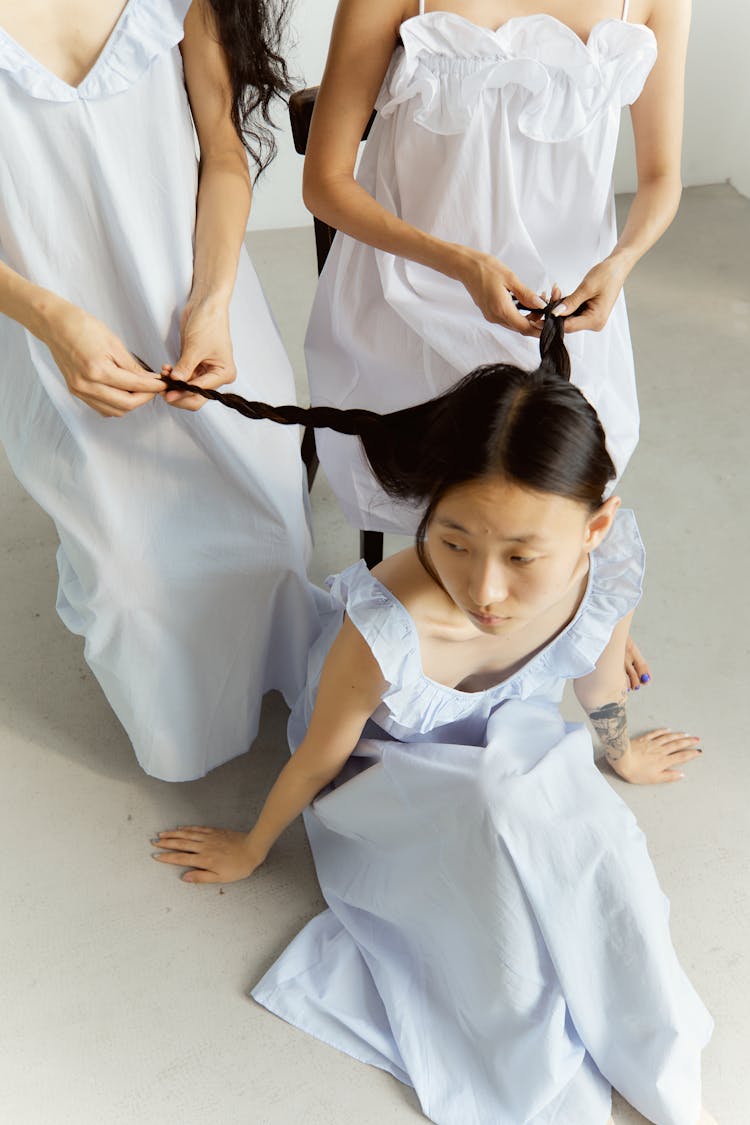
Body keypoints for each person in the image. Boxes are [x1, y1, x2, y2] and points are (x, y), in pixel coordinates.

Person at [151, 311, 714, 1125]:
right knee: (503, 877)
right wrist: (251, 845)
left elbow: (596, 673)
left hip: (511, 737)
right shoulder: (383, 628)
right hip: (388, 772)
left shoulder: (609, 558)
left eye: (522, 557)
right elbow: (319, 758)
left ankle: (660, 1059)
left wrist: (618, 753)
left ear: (594, 527)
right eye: (452, 541)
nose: (484, 590)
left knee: (599, 851)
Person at [0, 0, 317, 781]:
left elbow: (222, 156)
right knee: (130, 583)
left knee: (275, 526)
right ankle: (185, 733)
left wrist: (212, 304)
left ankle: (288, 678)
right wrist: (50, 318)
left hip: (201, 309)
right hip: (55, 336)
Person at [301, 0, 690, 536]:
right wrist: (460, 264)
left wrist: (620, 262)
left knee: (548, 510)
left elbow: (662, 174)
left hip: (566, 309)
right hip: (413, 294)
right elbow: (324, 182)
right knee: (473, 506)